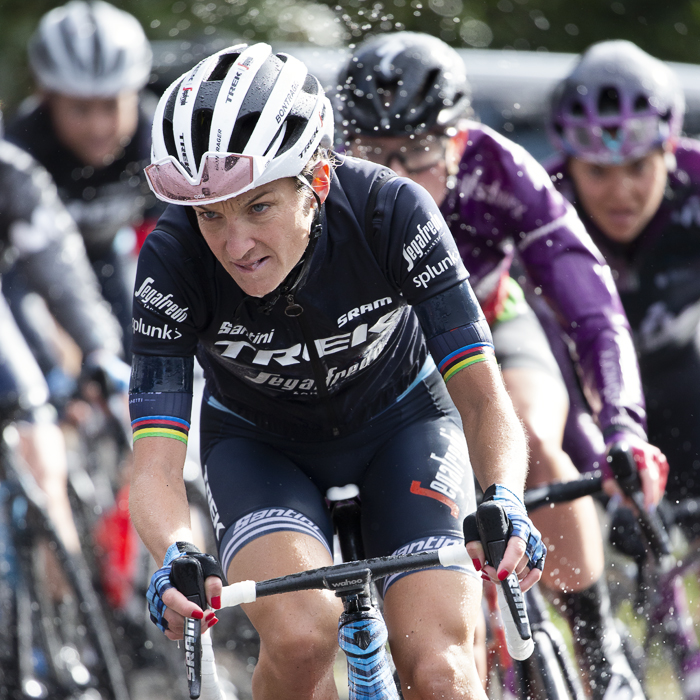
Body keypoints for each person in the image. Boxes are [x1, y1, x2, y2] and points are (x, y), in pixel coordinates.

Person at [128, 42, 546, 700]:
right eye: (212, 214)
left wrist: (504, 498)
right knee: (300, 636)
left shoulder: (392, 211)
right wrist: (174, 549)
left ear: (316, 182)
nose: (234, 245)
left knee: (444, 674)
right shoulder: (173, 258)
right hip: (262, 448)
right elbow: (153, 460)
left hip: (402, 425)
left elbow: (483, 396)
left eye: (258, 207)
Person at [335, 32, 668, 700]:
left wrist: (624, 428)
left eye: (420, 152)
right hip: (384, 368)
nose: (397, 176)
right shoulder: (327, 192)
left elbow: (593, 308)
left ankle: (600, 644)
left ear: (458, 142)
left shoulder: (500, 170)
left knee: (533, 443)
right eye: (375, 155)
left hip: (491, 326)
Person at [547, 39, 700, 689]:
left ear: (668, 148)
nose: (621, 191)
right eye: (598, 172)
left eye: (638, 165)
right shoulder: (544, 202)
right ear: (569, 166)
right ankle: (601, 640)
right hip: (586, 406)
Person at [0, 110, 127, 559]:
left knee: (32, 413)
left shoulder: (10, 171)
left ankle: (62, 607)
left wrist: (98, 349)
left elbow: (61, 273)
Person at [5, 0, 159, 361]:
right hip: (26, 273)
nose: (98, 127)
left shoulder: (157, 139)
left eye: (111, 106)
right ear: (47, 98)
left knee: (138, 359)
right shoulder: (20, 151)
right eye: (79, 109)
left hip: (108, 256)